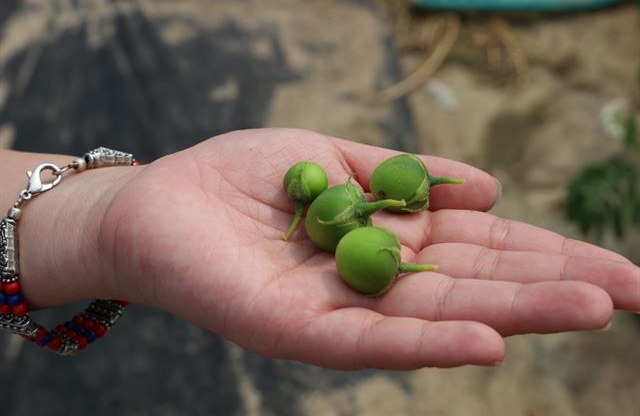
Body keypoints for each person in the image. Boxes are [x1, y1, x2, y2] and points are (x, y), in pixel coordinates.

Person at [1, 128, 638, 369]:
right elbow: (328, 207)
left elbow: (334, 209)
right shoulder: (339, 210)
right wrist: (111, 213)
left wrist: (100, 214)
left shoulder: (347, 213)